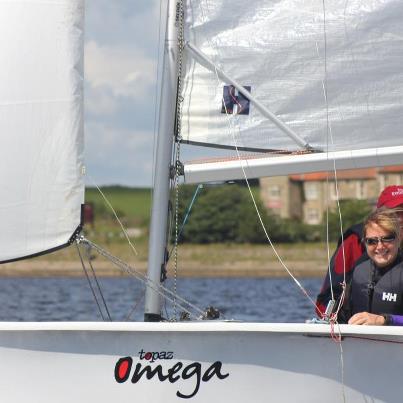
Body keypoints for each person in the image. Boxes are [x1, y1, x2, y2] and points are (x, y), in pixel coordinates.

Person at [316, 185, 403, 317]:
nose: (401, 218)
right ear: (379, 214)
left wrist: (387, 320)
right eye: (395, 212)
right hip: (356, 329)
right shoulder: (354, 241)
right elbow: (326, 299)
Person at [340, 209, 403, 325]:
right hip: (360, 342)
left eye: (387, 238)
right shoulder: (359, 271)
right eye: (372, 241)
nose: (380, 246)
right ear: (365, 242)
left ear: (399, 238)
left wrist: (385, 320)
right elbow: (345, 316)